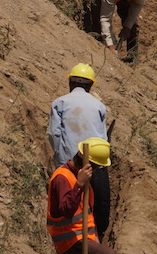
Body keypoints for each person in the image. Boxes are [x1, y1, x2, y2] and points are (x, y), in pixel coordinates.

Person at [47, 64, 111, 240]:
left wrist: (60, 160)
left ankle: (71, 239)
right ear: (90, 86)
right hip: (97, 163)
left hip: (71, 163)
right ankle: (98, 236)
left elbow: (54, 134)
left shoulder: (60, 103)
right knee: (98, 204)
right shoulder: (99, 106)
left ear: (70, 82)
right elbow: (103, 138)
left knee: (70, 202)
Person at [47, 137, 120, 254]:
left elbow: (88, 215)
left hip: (83, 237)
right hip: (68, 240)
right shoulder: (63, 177)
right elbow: (67, 210)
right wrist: (79, 184)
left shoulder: (84, 182)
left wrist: (95, 239)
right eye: (97, 167)